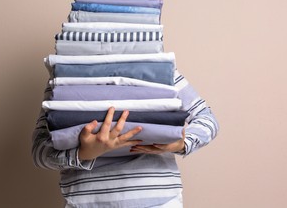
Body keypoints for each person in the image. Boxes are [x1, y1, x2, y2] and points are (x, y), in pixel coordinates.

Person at [32, 70, 219, 207]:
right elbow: (39, 152)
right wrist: (82, 154)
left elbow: (207, 119)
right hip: (87, 203)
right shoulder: (64, 77)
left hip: (159, 201)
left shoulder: (160, 70)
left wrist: (181, 143)